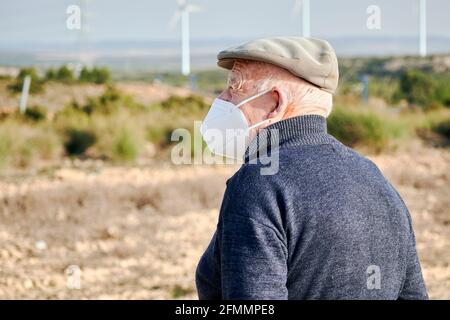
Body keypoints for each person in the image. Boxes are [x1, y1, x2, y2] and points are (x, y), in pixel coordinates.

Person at [196, 37, 428, 300]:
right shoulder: (375, 179)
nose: (221, 99)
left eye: (233, 87)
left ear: (275, 103)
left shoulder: (259, 184)